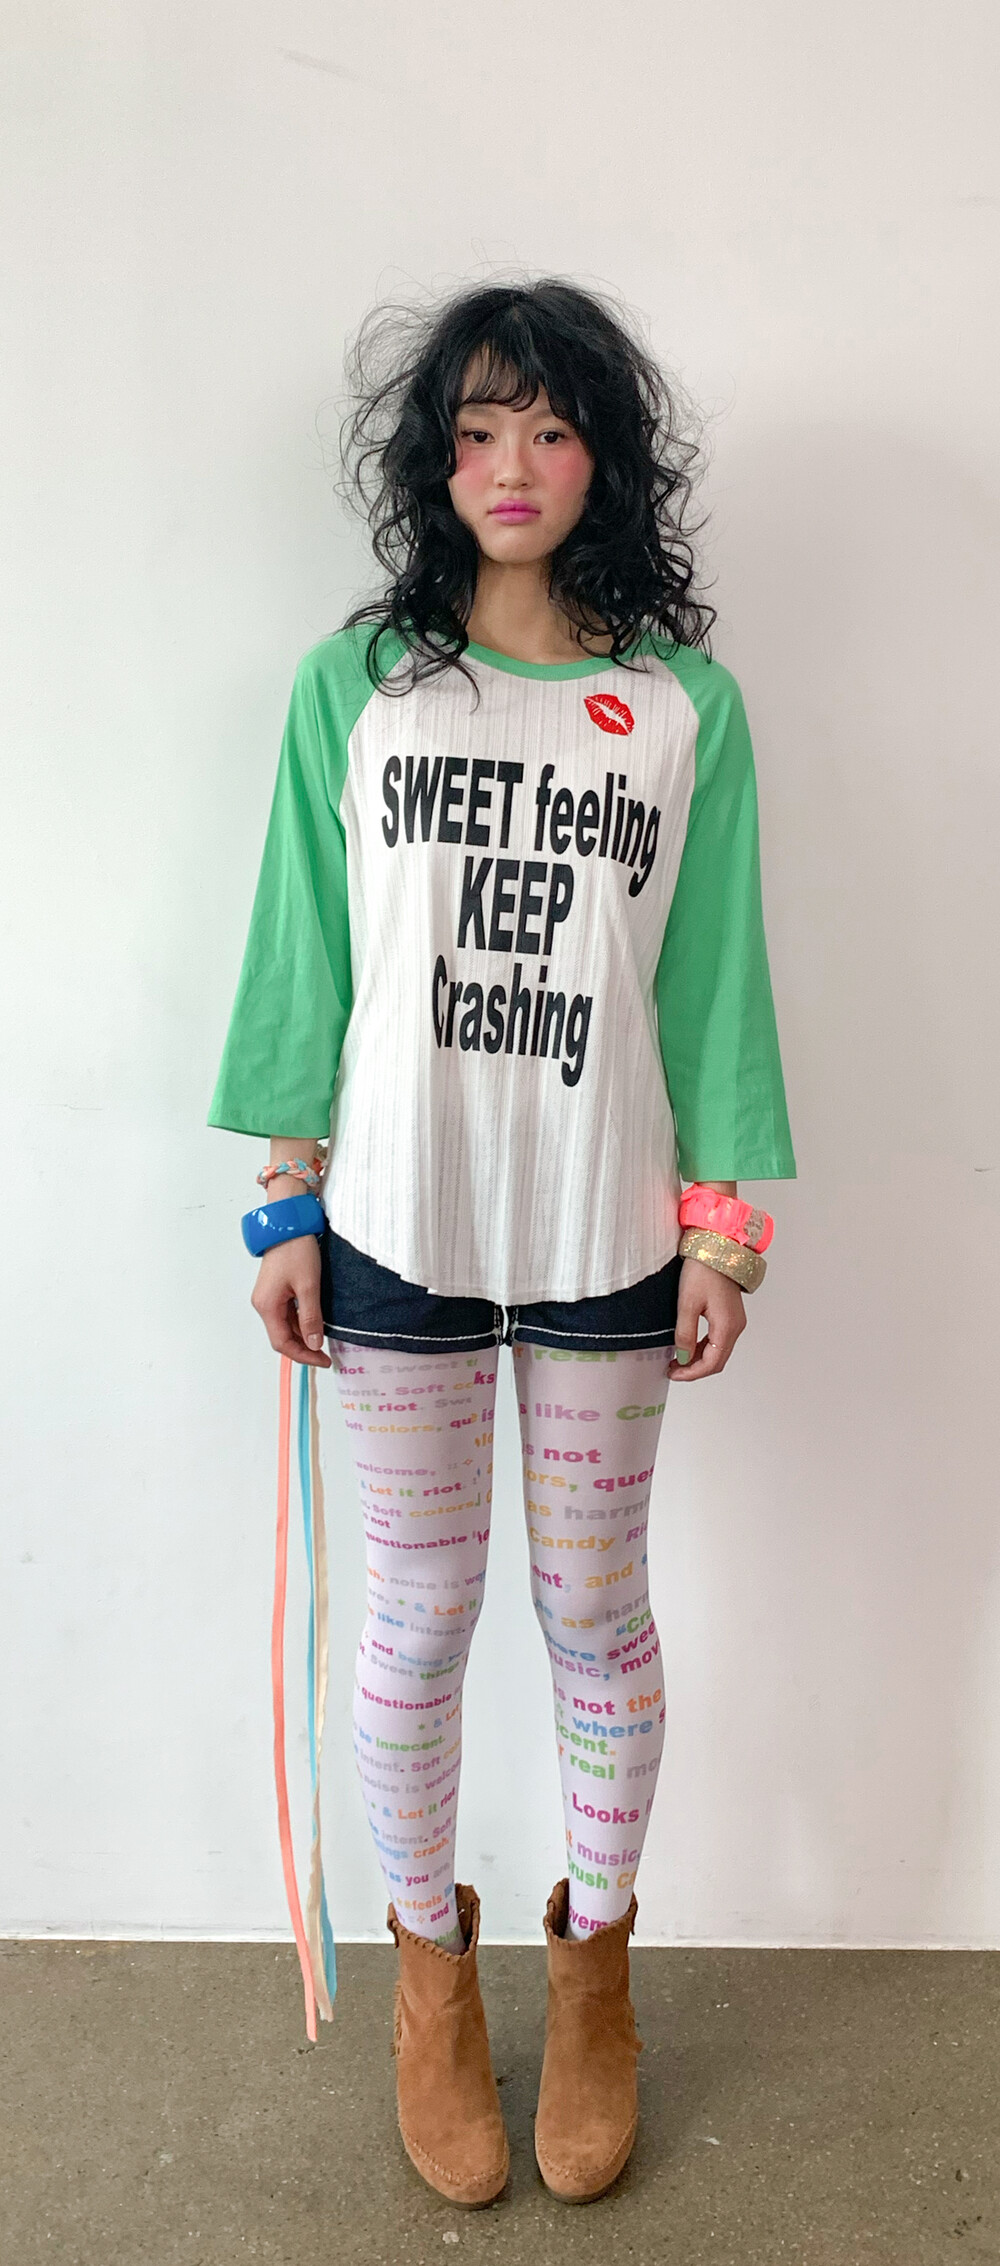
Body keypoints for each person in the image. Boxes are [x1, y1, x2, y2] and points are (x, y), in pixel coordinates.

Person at [207, 276, 796, 2208]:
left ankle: (598, 1975)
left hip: (608, 1221)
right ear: (431, 460)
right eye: (476, 428)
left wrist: (722, 1228)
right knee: (415, 1620)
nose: (512, 463)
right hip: (396, 1222)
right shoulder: (358, 687)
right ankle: (431, 1983)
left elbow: (712, 982)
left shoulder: (684, 708)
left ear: (604, 455)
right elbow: (306, 949)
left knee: (595, 1613)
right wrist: (284, 1196)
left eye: (549, 427)